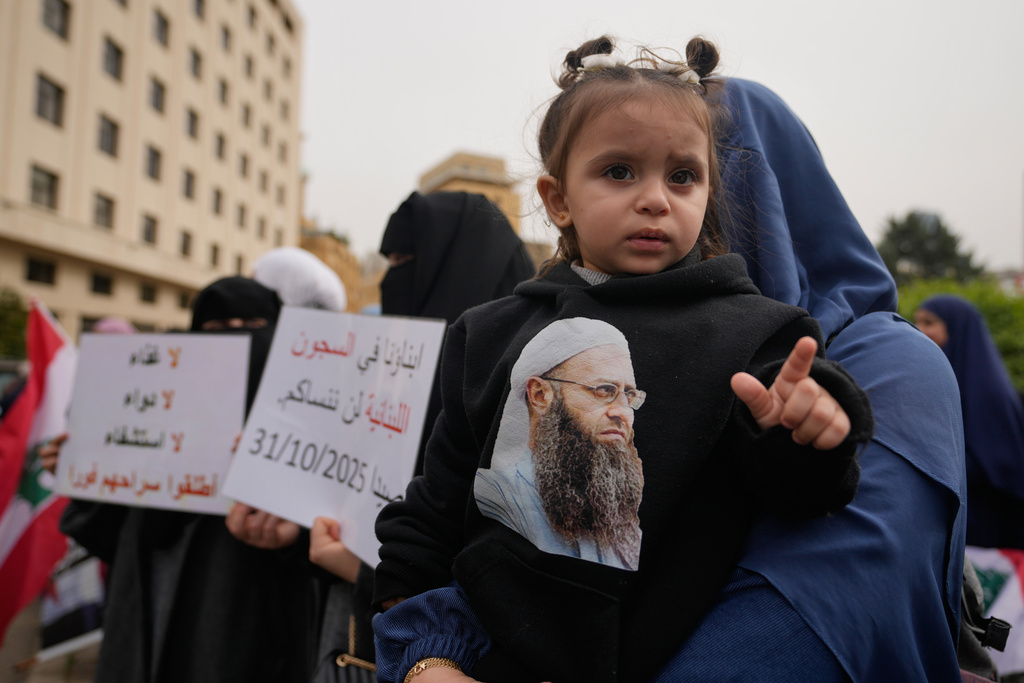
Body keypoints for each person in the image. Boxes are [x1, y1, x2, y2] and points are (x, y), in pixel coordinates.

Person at [372, 36, 875, 683]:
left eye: (682, 176)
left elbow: (798, 497)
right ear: (558, 199)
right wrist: (420, 652)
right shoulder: (490, 332)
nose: (655, 199)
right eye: (619, 171)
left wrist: (810, 433)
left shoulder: (760, 333)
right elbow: (434, 509)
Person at [60, 277, 320, 683]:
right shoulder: (152, 417)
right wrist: (84, 465)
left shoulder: (308, 424)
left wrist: (286, 517)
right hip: (143, 607)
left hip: (247, 625)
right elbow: (100, 529)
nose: (237, 339)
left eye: (252, 323)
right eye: (217, 329)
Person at [379, 190, 536, 474]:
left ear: (454, 267)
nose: (390, 278)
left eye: (403, 260)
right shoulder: (393, 366)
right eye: (390, 262)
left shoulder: (532, 374)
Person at [915, 295, 1024, 551]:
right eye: (917, 321)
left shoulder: (988, 392)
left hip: (982, 530)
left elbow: (1001, 464)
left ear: (957, 328)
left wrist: (927, 457)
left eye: (929, 322)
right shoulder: (937, 379)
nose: (920, 330)